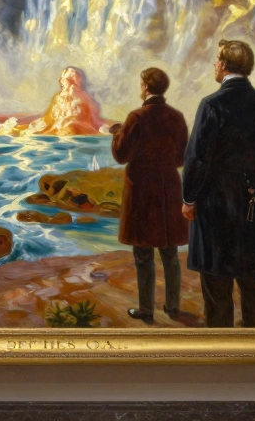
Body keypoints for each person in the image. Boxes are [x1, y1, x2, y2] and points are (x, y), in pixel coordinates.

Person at [181, 40, 255, 328]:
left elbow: (197, 159)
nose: (214, 64)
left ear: (224, 65)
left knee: (217, 286)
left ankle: (219, 352)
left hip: (216, 203)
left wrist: (189, 199)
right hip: (253, 201)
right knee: (253, 285)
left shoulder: (211, 104)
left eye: (216, 60)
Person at [109, 68, 190, 324]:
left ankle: (146, 309)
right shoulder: (176, 117)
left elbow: (121, 155)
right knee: (170, 252)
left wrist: (116, 135)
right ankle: (174, 307)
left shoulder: (136, 117)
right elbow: (181, 157)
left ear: (145, 87)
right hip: (168, 187)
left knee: (143, 254)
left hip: (143, 189)